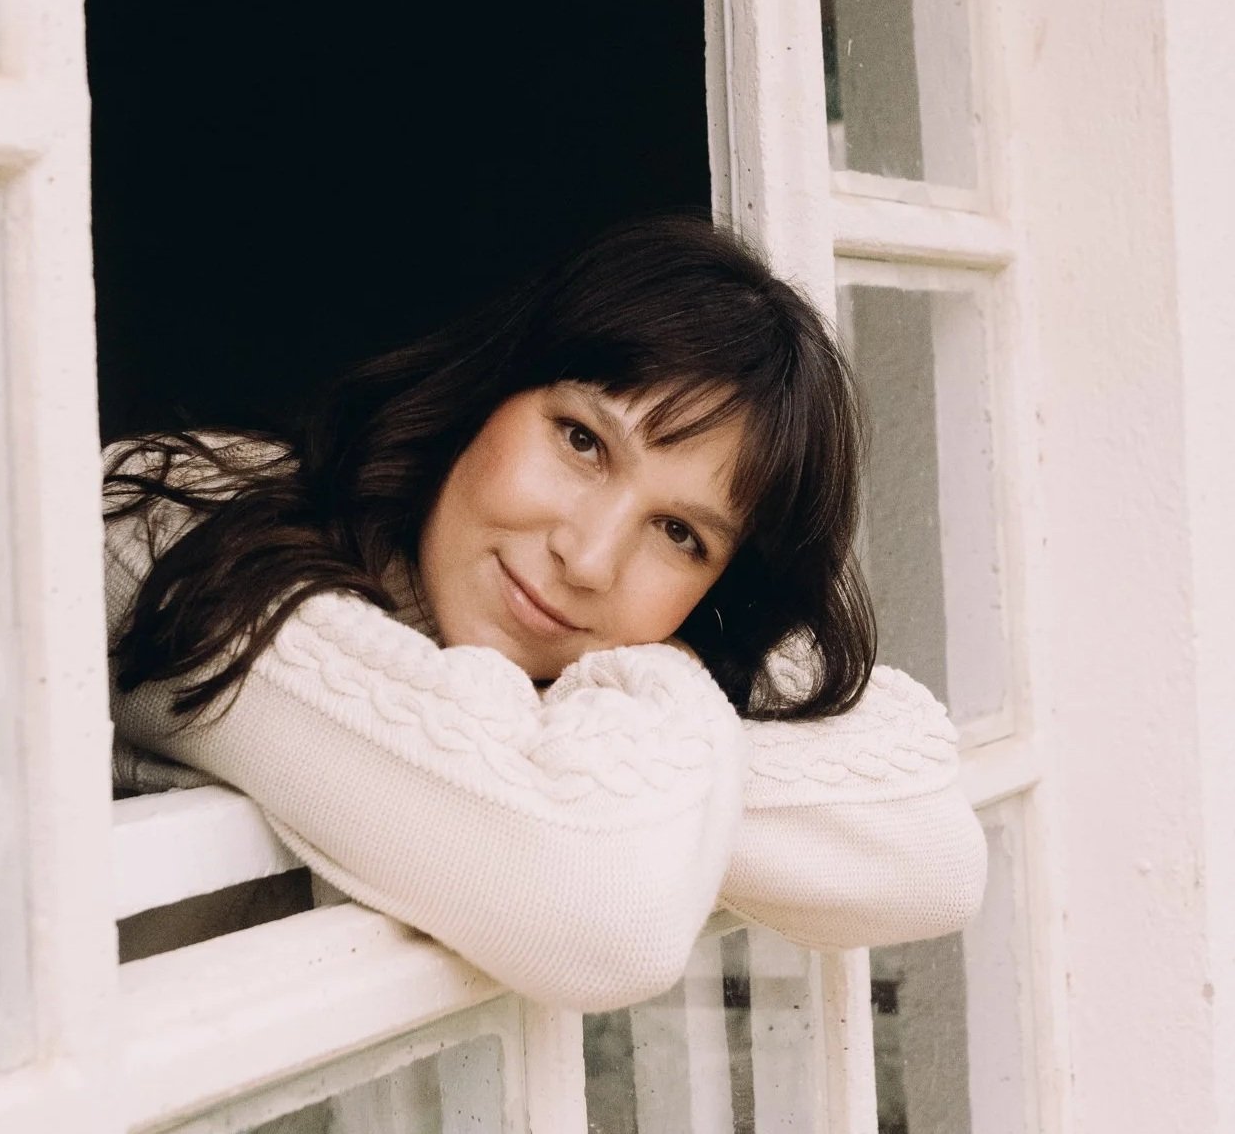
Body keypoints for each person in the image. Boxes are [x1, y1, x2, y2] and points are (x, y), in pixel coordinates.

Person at [103, 216, 986, 1011]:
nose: (589, 557)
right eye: (582, 441)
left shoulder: (623, 645)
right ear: (491, 386)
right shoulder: (179, 525)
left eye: (679, 534)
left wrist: (657, 671)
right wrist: (669, 718)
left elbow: (932, 852)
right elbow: (602, 902)